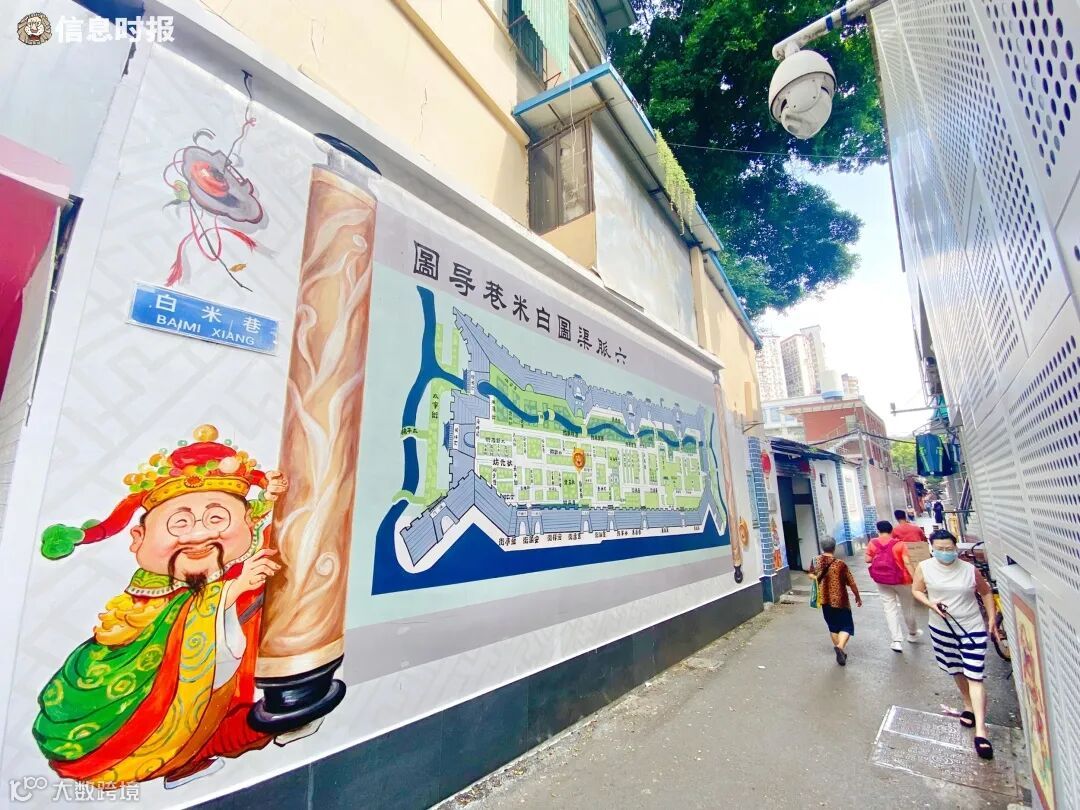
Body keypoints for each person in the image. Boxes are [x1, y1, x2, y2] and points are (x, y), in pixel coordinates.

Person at [34, 425, 288, 788]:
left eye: (216, 519)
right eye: (179, 523)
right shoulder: (154, 592)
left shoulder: (229, 572)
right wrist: (233, 590)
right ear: (138, 539)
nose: (198, 534)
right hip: (131, 705)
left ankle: (202, 748)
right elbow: (182, 622)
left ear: (249, 523)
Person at [912, 529, 1000, 760]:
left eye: (949, 548)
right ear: (932, 549)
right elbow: (916, 590)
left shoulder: (969, 570)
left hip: (971, 628)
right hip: (942, 628)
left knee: (975, 675)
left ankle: (981, 730)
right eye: (939, 549)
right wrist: (931, 604)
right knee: (957, 670)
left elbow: (986, 592)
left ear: (956, 548)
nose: (945, 552)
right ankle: (968, 705)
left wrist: (991, 618)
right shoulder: (924, 567)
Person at [865, 520, 921, 652]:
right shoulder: (900, 544)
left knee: (889, 609)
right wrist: (916, 579)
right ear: (891, 531)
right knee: (907, 607)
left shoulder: (873, 543)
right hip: (902, 580)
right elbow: (907, 563)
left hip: (882, 581)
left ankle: (896, 641)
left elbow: (867, 559)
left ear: (878, 531)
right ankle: (912, 633)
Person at [808, 537, 862, 666]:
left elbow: (810, 574)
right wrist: (857, 596)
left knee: (833, 627)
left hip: (825, 600)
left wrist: (816, 578)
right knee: (846, 626)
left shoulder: (815, 561)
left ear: (822, 547)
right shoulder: (840, 564)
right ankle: (840, 647)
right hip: (841, 600)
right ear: (834, 547)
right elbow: (851, 583)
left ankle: (840, 651)